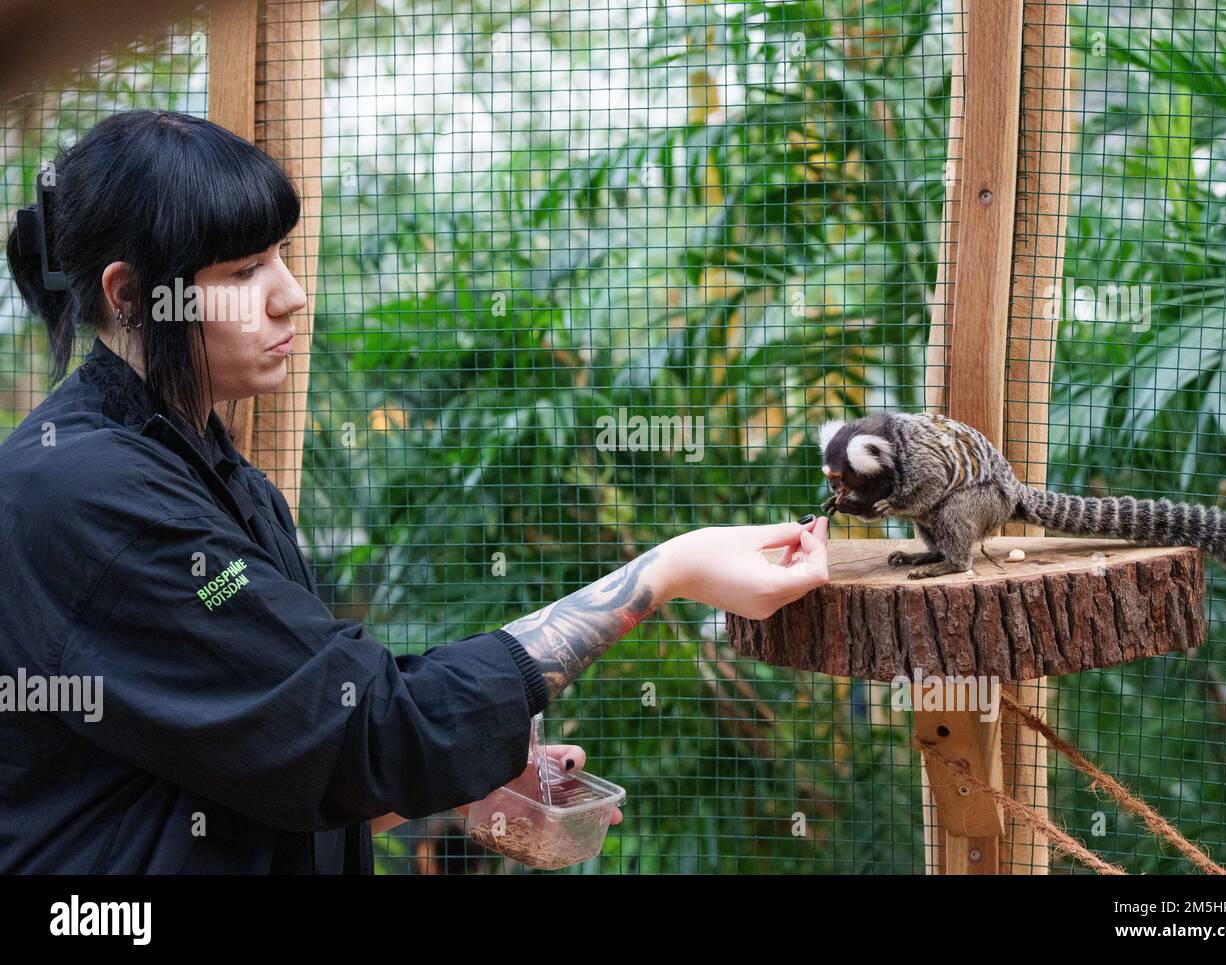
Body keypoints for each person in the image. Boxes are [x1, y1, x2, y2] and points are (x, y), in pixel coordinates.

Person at [0, 109, 830, 873]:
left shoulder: (223, 476)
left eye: (283, 255)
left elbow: (290, 746)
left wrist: (468, 784)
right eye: (245, 269)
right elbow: (365, 725)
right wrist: (665, 571)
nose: (290, 293)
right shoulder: (80, 491)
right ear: (129, 294)